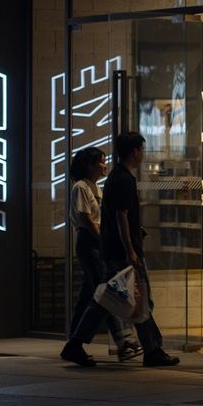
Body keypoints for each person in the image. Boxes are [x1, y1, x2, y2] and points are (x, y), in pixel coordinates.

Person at [60, 132, 179, 368]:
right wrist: (130, 250)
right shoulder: (122, 180)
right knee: (139, 298)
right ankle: (151, 349)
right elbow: (120, 216)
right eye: (141, 150)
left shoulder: (114, 179)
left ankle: (76, 343)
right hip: (121, 251)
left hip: (111, 249)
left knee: (105, 299)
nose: (143, 154)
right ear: (135, 151)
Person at [66, 147, 142, 363]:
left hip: (97, 243)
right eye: (100, 162)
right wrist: (103, 240)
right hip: (91, 243)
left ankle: (74, 343)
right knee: (107, 293)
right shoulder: (81, 187)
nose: (104, 166)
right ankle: (123, 340)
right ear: (88, 165)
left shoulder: (95, 188)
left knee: (89, 296)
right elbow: (87, 219)